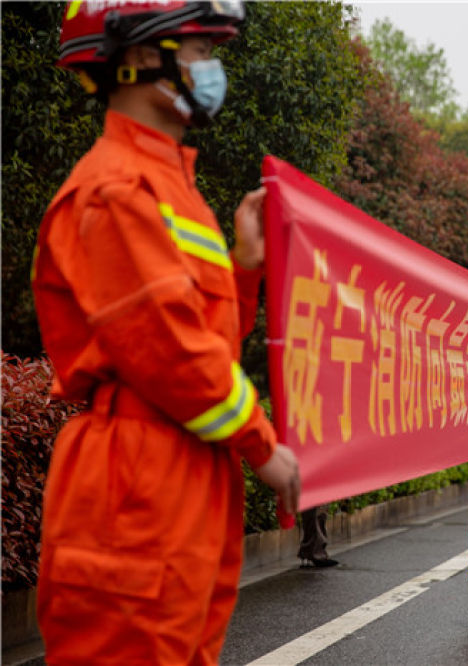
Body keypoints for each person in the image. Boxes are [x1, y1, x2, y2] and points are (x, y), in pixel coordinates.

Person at [31, 3, 300, 662]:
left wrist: (242, 267)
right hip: (135, 482)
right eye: (201, 51)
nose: (212, 69)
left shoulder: (172, 185)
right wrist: (261, 445)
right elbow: (166, 351)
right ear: (143, 59)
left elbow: (206, 344)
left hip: (180, 474)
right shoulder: (116, 189)